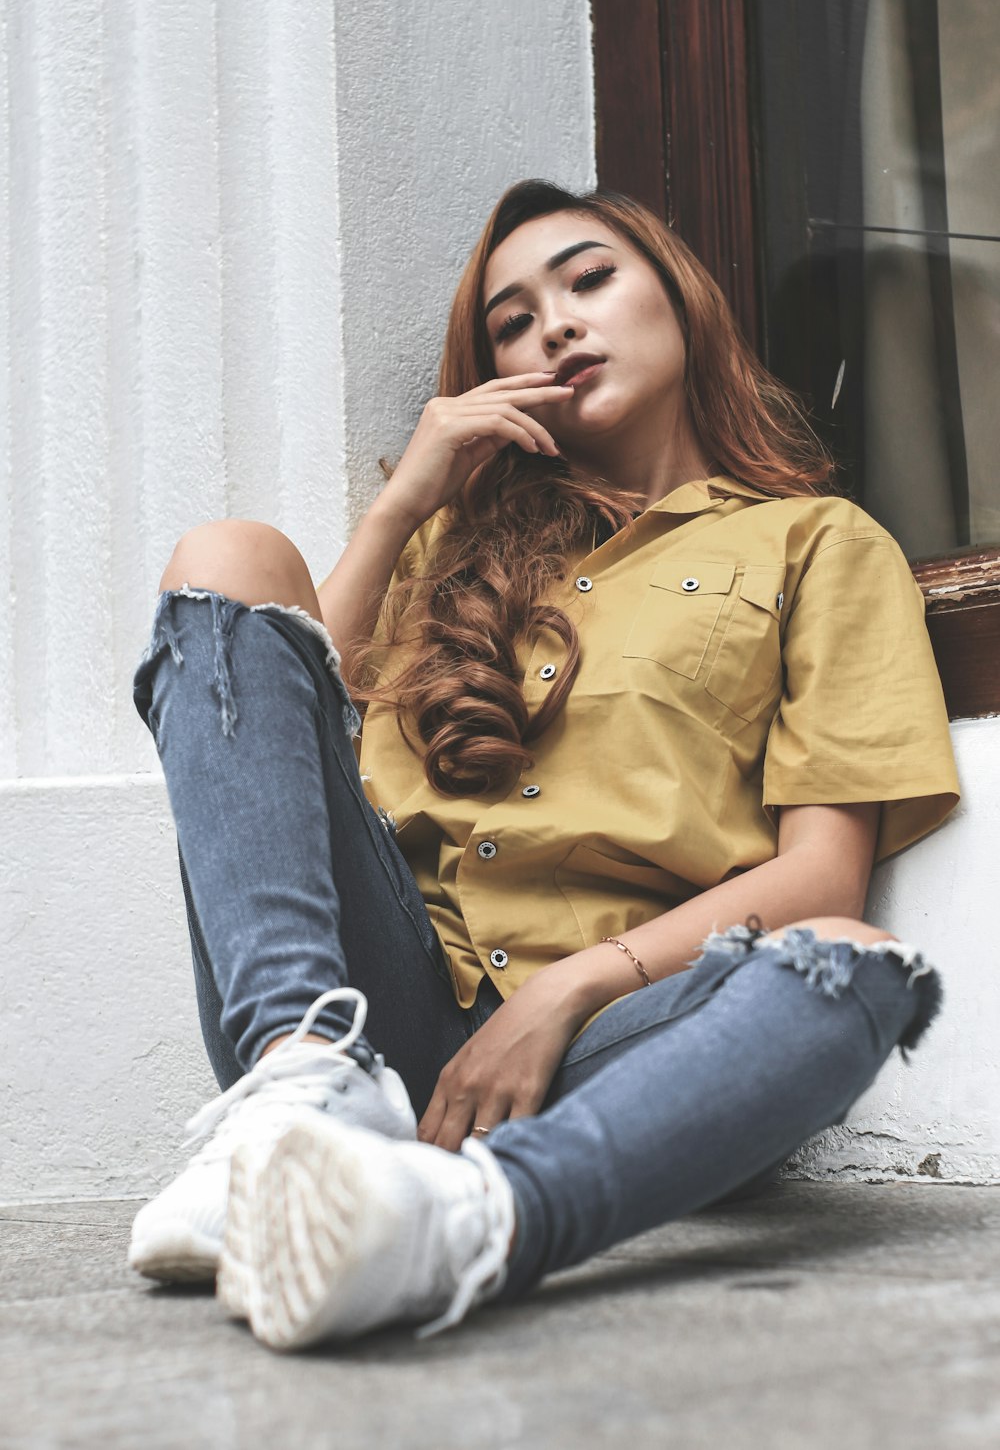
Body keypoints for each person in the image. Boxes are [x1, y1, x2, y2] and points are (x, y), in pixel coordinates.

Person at [128, 179, 960, 1351]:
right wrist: (404, 502)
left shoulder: (814, 543)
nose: (555, 326)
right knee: (232, 554)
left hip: (603, 1046)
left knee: (856, 965)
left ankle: (467, 1220)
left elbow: (819, 877)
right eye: (513, 321)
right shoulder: (443, 555)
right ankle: (296, 1091)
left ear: (681, 301)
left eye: (588, 279)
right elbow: (278, 745)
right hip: (371, 1007)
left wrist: (566, 992)